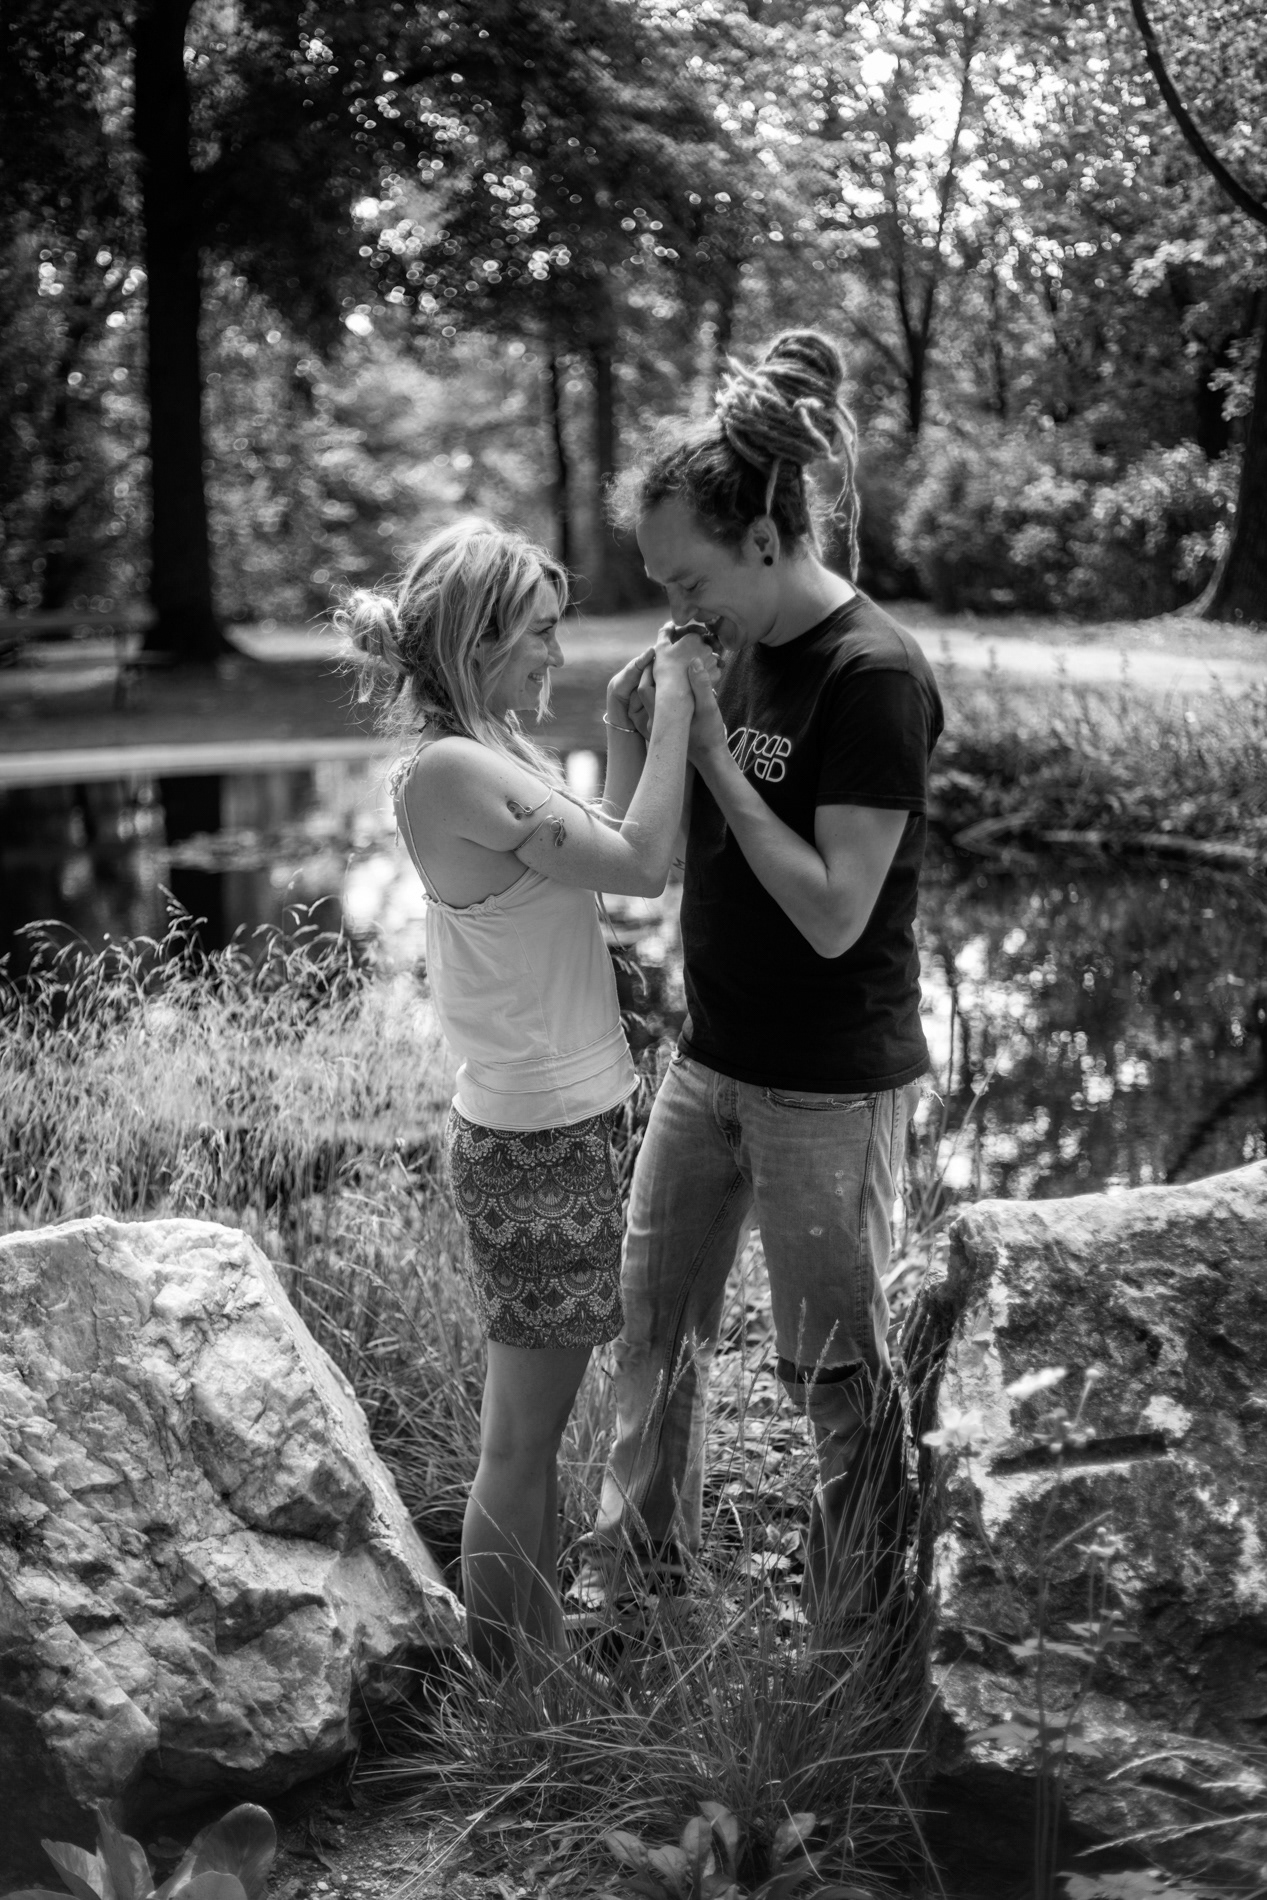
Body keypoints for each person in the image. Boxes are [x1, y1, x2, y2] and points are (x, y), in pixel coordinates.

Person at [590, 330, 945, 1644]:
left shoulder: (871, 674)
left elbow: (836, 911)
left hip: (829, 1088)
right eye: (661, 585)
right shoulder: (721, 648)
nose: (679, 605)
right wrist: (635, 722)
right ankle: (638, 1602)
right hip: (711, 1062)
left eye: (688, 577)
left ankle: (853, 1634)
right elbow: (642, 868)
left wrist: (717, 763)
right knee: (651, 1336)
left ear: (762, 538)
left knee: (834, 1380)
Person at [338, 519, 716, 1674]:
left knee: (532, 1432)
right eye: (541, 631)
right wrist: (681, 708)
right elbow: (645, 863)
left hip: (563, 1122)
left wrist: (621, 729)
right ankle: (518, 1678)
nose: (557, 650)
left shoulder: (488, 746)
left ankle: (529, 1660)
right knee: (520, 1441)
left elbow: (613, 855)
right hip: (537, 1139)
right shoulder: (454, 771)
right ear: (481, 638)